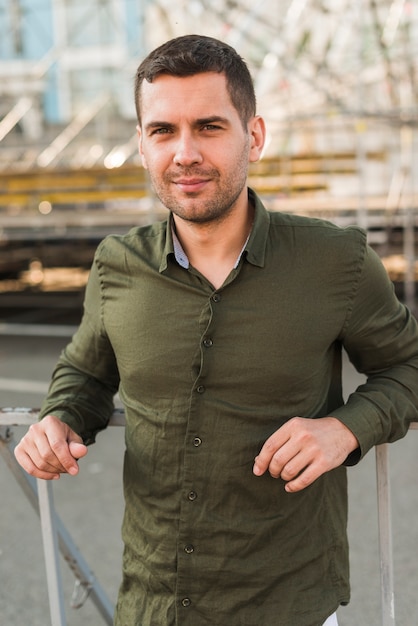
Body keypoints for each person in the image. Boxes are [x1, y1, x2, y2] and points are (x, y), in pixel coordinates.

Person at [15, 34, 418, 626]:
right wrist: (59, 419)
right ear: (143, 144)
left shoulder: (336, 262)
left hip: (289, 608)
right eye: (163, 131)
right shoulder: (115, 265)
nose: (184, 153)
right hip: (152, 606)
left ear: (253, 135)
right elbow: (84, 373)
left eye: (209, 127)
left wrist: (345, 430)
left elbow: (409, 366)